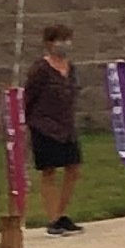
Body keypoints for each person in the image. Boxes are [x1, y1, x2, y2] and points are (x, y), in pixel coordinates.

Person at [22, 21, 83, 234]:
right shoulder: (40, 69)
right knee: (49, 172)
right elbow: (28, 96)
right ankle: (52, 218)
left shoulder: (71, 68)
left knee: (73, 169)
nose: (64, 44)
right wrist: (26, 120)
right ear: (48, 44)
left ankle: (61, 213)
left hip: (67, 127)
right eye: (59, 40)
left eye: (67, 39)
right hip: (44, 126)